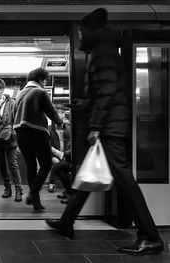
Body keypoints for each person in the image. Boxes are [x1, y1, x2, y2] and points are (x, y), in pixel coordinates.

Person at [45, 8, 164, 256]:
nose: (79, 35)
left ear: (91, 31)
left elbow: (108, 92)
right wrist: (81, 104)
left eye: (81, 31)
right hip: (109, 126)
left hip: (109, 128)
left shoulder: (102, 52)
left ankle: (150, 237)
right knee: (88, 176)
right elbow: (103, 92)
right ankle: (67, 222)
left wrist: (97, 126)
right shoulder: (102, 51)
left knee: (125, 182)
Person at [13, 68, 63, 211]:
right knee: (46, 165)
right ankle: (33, 193)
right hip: (37, 131)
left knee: (31, 166)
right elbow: (51, 111)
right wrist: (61, 123)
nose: (45, 83)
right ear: (41, 80)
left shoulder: (20, 94)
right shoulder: (40, 92)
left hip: (20, 133)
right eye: (45, 81)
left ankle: (36, 201)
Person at [0, 78, 23, 202]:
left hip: (9, 137)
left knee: (12, 164)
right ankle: (7, 188)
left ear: (2, 90)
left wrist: (15, 134)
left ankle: (18, 190)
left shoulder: (12, 103)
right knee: (2, 165)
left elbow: (18, 120)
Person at [47, 121, 73, 205]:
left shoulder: (67, 130)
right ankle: (66, 191)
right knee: (58, 166)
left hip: (69, 158)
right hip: (57, 155)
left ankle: (69, 192)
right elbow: (48, 146)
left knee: (58, 167)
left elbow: (70, 148)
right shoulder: (50, 129)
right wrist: (60, 154)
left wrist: (64, 154)